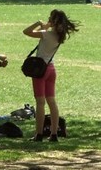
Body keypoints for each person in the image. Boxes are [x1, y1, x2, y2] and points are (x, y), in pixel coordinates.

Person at [22, 9, 80, 142]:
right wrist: (47, 27)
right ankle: (54, 133)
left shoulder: (46, 34)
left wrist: (39, 23)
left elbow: (26, 31)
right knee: (52, 102)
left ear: (53, 21)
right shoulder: (59, 36)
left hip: (40, 70)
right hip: (51, 69)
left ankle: (39, 133)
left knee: (40, 102)